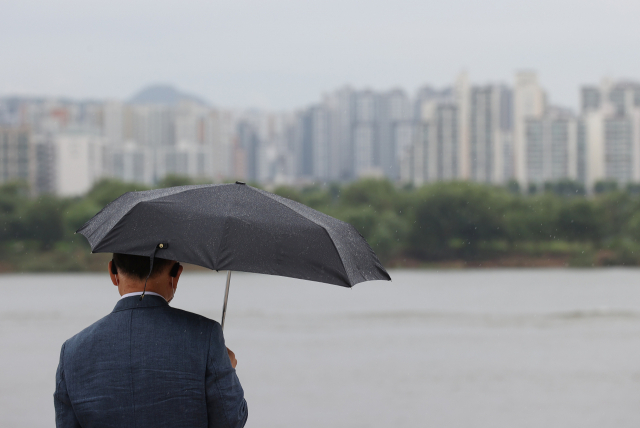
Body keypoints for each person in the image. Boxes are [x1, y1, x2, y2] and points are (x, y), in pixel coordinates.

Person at [53, 253, 248, 428]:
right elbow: (230, 422)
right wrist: (226, 369)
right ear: (177, 274)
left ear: (112, 272)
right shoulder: (206, 335)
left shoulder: (72, 350)